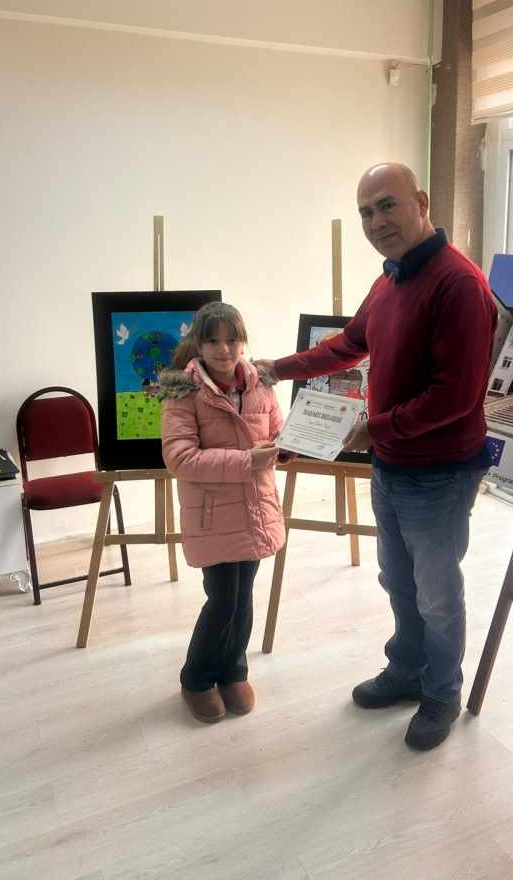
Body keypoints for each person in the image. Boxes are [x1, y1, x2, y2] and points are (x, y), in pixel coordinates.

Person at [256, 162, 497, 750]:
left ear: (421, 201)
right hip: (391, 463)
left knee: (437, 593)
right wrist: (276, 369)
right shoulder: (389, 279)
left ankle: (442, 692)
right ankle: (408, 670)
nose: (375, 222)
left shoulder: (458, 284)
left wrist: (374, 430)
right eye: (366, 212)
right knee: (398, 578)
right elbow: (349, 343)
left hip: (439, 471)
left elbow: (454, 396)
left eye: (387, 205)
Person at [159, 301, 295, 724]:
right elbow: (179, 459)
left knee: (244, 597)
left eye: (232, 339)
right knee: (222, 600)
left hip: (255, 509)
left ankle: (234, 671)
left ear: (243, 341)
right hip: (213, 515)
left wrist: (288, 447)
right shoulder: (183, 392)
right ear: (198, 345)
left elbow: (276, 431)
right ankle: (196, 678)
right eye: (213, 341)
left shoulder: (261, 385)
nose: (224, 349)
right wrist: (248, 460)